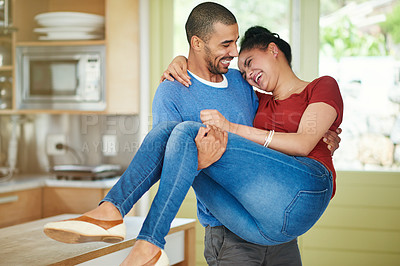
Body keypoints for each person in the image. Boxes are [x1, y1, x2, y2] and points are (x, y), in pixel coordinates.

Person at [43, 2, 342, 266]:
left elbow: (288, 134)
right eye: (226, 45)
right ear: (197, 44)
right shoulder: (171, 92)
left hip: (280, 212)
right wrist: (198, 159)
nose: (234, 54)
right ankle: (111, 213)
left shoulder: (242, 84)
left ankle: (142, 238)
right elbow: (170, 157)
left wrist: (321, 137)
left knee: (187, 131)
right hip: (234, 227)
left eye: (236, 44)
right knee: (179, 134)